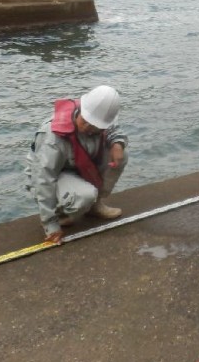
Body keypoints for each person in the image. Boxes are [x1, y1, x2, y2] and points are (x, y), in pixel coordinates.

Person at [25, 85, 128, 244]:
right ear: (81, 109)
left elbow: (115, 129)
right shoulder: (52, 138)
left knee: (121, 155)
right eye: (86, 122)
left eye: (96, 126)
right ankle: (60, 214)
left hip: (79, 168)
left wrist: (118, 144)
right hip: (53, 176)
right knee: (85, 196)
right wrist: (50, 224)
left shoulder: (102, 120)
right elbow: (43, 179)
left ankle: (94, 206)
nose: (88, 128)